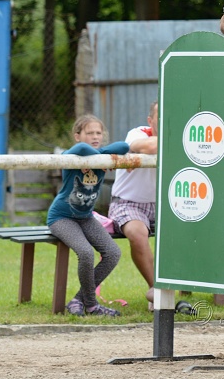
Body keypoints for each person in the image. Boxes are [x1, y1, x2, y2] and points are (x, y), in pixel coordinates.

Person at [47, 115, 129, 317]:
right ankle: (92, 306)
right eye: (89, 133)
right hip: (62, 217)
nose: (95, 136)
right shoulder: (71, 156)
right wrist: (98, 159)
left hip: (85, 217)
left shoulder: (103, 157)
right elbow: (82, 149)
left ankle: (78, 300)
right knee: (85, 253)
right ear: (77, 136)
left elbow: (124, 146)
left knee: (113, 253)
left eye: (98, 133)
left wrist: (100, 158)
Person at [108, 101, 158, 307]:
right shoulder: (138, 133)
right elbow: (150, 146)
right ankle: (157, 291)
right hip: (128, 203)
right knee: (137, 233)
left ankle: (188, 285)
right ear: (150, 121)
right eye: (161, 117)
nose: (167, 120)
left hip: (163, 204)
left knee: (194, 229)